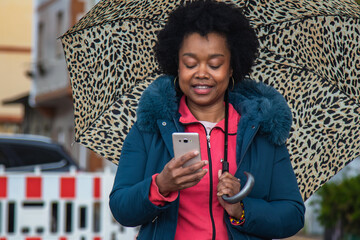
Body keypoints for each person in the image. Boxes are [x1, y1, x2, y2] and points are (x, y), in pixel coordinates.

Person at [109, 0, 305, 239]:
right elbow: (121, 208)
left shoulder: (261, 132)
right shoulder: (149, 128)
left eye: (215, 64)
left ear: (232, 68)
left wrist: (240, 208)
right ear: (177, 66)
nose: (201, 73)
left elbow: (292, 214)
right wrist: (160, 186)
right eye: (190, 63)